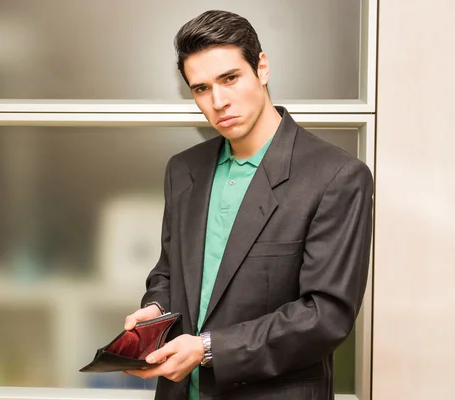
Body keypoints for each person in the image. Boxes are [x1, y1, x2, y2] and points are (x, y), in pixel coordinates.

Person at [123, 9, 374, 400]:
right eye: (201, 88)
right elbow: (170, 272)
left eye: (230, 78)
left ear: (262, 68)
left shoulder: (337, 177)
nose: (218, 101)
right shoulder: (184, 170)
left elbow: (326, 316)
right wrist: (155, 311)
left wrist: (208, 348)